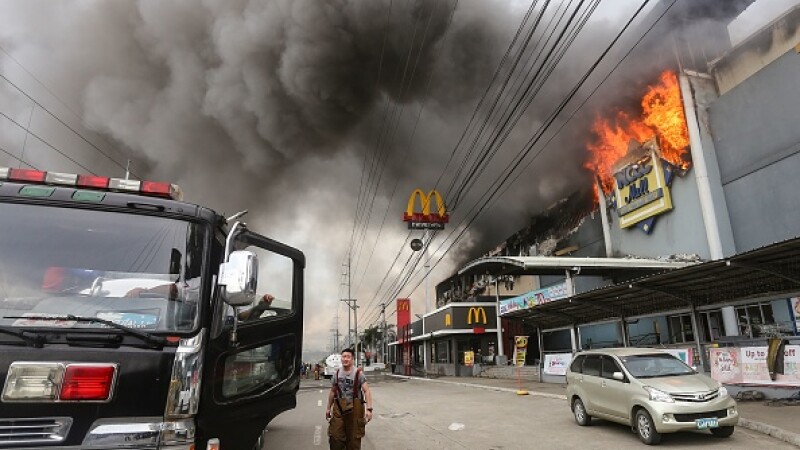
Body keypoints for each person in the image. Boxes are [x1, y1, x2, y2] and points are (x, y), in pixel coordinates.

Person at [325, 348, 373, 450]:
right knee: (335, 437)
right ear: (341, 359)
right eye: (344, 356)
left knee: (353, 440)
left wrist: (369, 409)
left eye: (348, 357)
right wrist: (328, 408)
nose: (345, 359)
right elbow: (333, 392)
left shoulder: (358, 373)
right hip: (339, 409)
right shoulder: (337, 373)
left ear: (352, 359)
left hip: (355, 409)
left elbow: (367, 391)